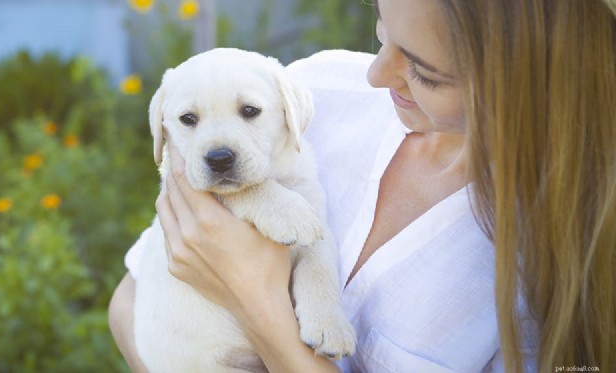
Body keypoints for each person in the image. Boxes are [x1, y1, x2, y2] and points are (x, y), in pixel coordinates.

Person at [109, 0, 616, 372]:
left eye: (425, 72)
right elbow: (127, 300)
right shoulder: (316, 91)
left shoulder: (558, 254)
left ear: (533, 76)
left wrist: (258, 307)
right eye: (381, 34)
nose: (376, 75)